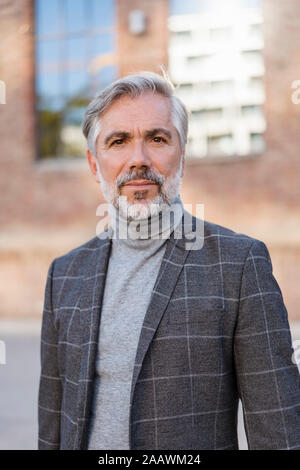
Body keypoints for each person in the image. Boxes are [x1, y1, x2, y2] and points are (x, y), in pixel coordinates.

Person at [38, 71, 300, 450]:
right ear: (95, 164)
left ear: (182, 155)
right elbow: (52, 425)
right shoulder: (63, 275)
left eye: (157, 139)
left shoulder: (239, 265)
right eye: (118, 141)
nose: (139, 159)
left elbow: (278, 429)